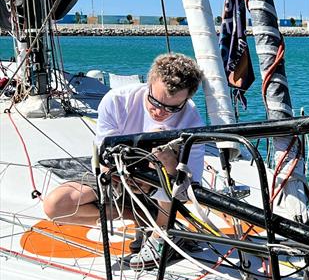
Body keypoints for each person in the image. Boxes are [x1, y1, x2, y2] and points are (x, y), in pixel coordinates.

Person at [43, 53, 206, 267]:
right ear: (148, 83)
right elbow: (104, 156)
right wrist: (118, 176)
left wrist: (168, 160)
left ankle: (163, 231)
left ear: (186, 99)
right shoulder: (118, 100)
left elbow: (187, 190)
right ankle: (136, 215)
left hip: (157, 185)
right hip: (118, 176)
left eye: (172, 108)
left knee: (167, 162)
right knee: (55, 206)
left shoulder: (192, 121)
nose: (159, 111)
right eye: (154, 101)